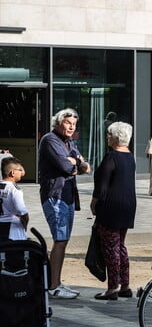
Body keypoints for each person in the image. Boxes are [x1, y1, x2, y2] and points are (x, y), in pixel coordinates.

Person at [38, 108, 91, 299]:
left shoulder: (69, 142)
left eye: (74, 124)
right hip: (55, 196)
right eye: (68, 123)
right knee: (60, 240)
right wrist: (75, 163)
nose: (71, 127)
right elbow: (67, 167)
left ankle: (57, 282)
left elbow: (85, 167)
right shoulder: (50, 140)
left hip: (68, 197)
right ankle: (53, 286)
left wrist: (75, 161)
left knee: (63, 240)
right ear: (58, 123)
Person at [90, 122, 136, 300]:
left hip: (111, 207)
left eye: (109, 134)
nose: (107, 137)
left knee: (111, 248)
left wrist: (94, 203)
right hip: (127, 206)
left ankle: (112, 288)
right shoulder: (129, 156)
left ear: (116, 137)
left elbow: (102, 186)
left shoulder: (111, 157)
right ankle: (125, 285)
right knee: (120, 246)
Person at [0, 157, 29, 242]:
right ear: (13, 173)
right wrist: (25, 223)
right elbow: (22, 211)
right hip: (12, 230)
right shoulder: (14, 189)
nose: (22, 172)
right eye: (19, 170)